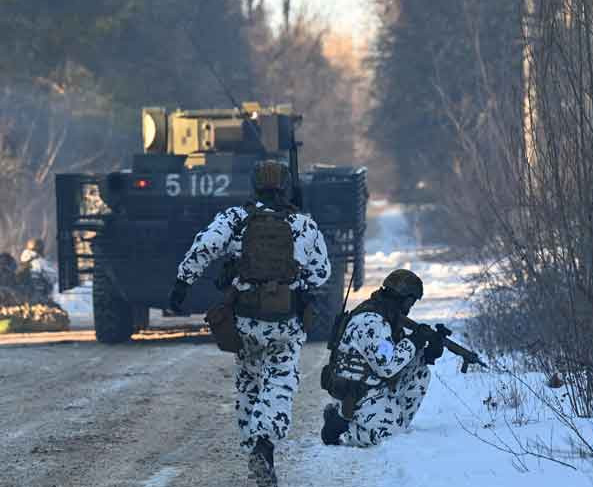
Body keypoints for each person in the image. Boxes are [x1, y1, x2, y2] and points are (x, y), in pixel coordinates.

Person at [168, 160, 330, 487]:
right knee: (280, 381)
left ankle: (252, 444)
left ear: (253, 186)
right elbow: (321, 273)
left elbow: (207, 245)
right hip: (286, 322)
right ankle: (264, 444)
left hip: (244, 319)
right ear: (286, 187)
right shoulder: (303, 223)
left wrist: (183, 282)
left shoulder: (236, 218)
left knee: (248, 382)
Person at [319, 268, 447, 448]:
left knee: (421, 374)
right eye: (411, 303)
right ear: (406, 299)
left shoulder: (387, 316)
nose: (410, 309)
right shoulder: (371, 320)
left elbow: (396, 356)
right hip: (356, 392)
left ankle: (391, 421)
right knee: (387, 437)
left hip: (372, 384)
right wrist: (414, 340)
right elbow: (387, 366)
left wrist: (427, 354)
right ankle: (342, 425)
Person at [19, 238, 56, 303]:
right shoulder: (40, 262)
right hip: (39, 294)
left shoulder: (22, 260)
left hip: (24, 295)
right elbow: (53, 277)